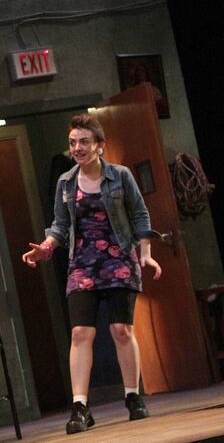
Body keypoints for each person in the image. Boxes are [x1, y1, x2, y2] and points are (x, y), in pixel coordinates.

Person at [22, 114, 162, 435]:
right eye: (73, 143)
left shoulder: (121, 176)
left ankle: (133, 397)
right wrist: (47, 246)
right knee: (80, 334)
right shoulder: (65, 183)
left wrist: (147, 256)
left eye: (84, 142)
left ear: (99, 145)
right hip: (82, 262)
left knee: (120, 330)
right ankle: (81, 407)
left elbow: (140, 214)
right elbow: (60, 225)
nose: (77, 148)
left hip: (118, 257)